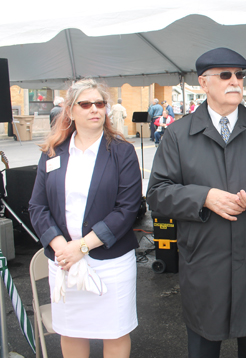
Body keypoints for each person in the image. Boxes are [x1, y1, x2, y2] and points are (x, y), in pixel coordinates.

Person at [147, 47, 246, 358]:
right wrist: (205, 197)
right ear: (203, 83)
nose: (235, 82)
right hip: (205, 263)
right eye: (226, 75)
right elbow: (158, 194)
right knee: (203, 347)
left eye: (240, 75)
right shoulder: (178, 134)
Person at [29, 78, 142, 358]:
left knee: (114, 332)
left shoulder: (122, 152)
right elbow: (37, 207)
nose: (94, 109)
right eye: (86, 104)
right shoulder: (53, 152)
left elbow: (126, 209)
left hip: (110, 261)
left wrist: (81, 247)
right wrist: (61, 248)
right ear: (70, 110)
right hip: (64, 261)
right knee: (71, 331)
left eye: (100, 103)